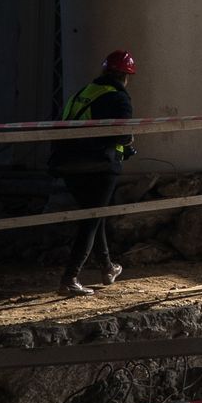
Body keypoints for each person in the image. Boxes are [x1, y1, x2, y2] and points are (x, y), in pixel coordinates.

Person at [49, 50, 136, 297]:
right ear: (126, 76)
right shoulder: (119, 97)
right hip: (98, 166)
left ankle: (107, 267)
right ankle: (70, 278)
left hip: (67, 164)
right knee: (91, 220)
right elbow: (121, 133)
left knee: (94, 216)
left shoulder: (84, 93)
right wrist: (128, 145)